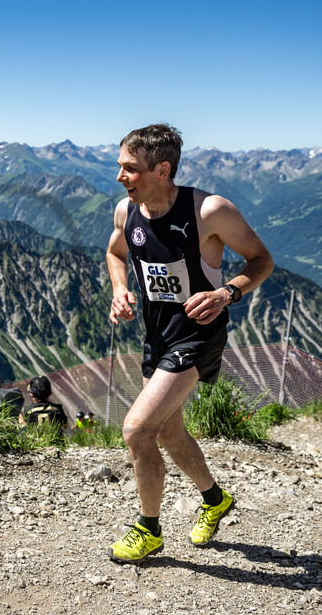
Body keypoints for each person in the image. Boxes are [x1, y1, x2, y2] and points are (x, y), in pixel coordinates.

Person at [105, 123, 273, 564]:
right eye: (120, 166)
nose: (120, 177)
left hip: (199, 334)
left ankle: (149, 529)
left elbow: (262, 260)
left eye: (129, 169)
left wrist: (227, 293)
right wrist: (119, 290)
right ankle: (215, 499)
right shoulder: (128, 212)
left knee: (137, 429)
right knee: (167, 430)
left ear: (162, 169)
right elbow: (115, 254)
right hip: (157, 334)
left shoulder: (209, 212)